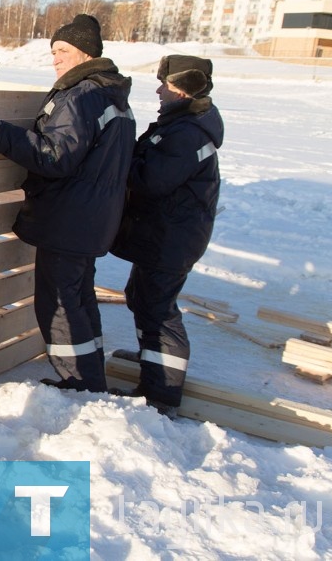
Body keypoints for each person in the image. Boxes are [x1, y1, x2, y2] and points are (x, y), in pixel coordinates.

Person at [0, 14, 135, 393]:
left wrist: (1, 136)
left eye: (62, 51)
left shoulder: (81, 96)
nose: (55, 59)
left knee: (60, 305)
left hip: (70, 221)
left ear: (83, 53)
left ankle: (78, 385)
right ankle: (91, 377)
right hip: (92, 220)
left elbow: (55, 156)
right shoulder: (113, 96)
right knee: (79, 300)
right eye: (52, 51)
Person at [109, 55, 224, 418]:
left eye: (167, 85)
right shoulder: (183, 124)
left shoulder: (186, 132)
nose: (159, 90)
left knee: (157, 308)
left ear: (185, 91)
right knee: (142, 298)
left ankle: (162, 393)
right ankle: (154, 363)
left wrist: (117, 158)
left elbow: (150, 180)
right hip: (168, 234)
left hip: (171, 238)